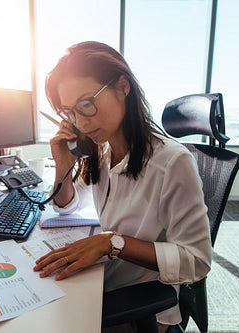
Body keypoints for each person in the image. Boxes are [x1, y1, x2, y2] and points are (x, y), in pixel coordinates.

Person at [33, 41, 212, 331]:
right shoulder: (103, 152)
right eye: (70, 112)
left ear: (122, 87)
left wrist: (111, 242)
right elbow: (67, 205)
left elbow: (197, 261)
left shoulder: (172, 162)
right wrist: (64, 165)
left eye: (87, 104)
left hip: (139, 308)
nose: (80, 121)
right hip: (106, 280)